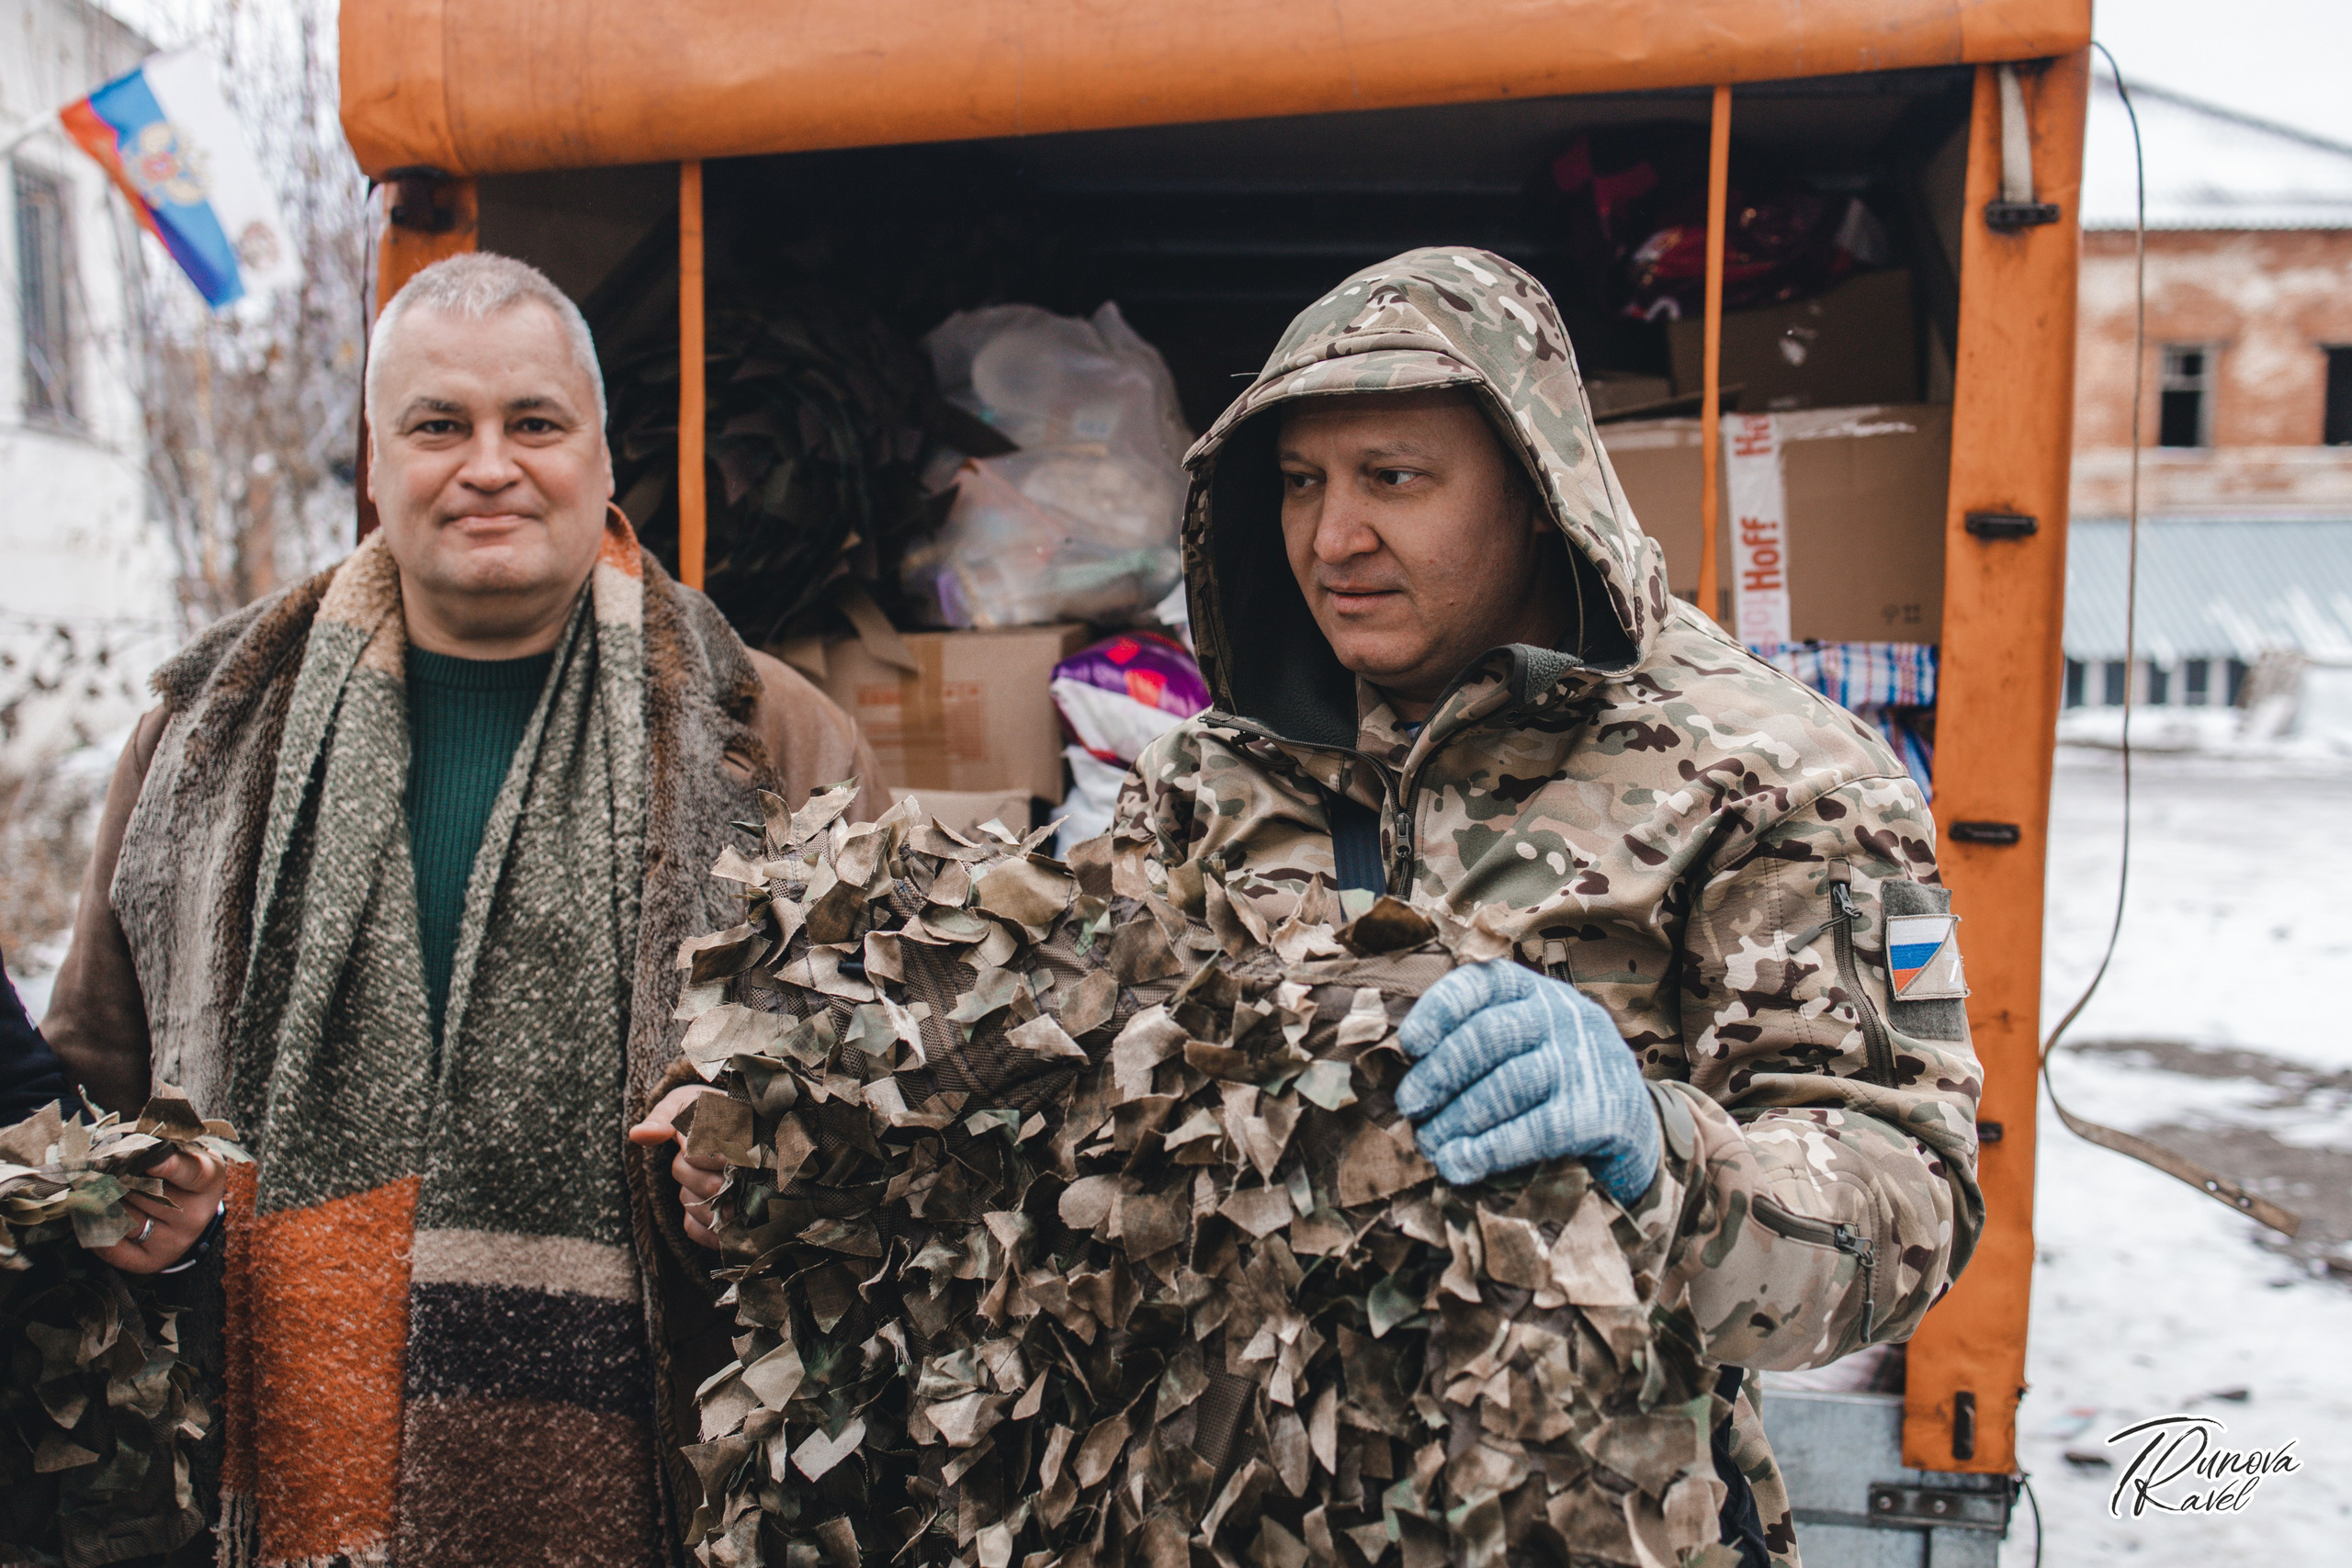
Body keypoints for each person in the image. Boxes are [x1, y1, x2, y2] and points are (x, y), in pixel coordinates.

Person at [1111, 247, 1983, 1567]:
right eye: (1298, 482)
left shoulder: (1772, 775)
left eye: (1392, 477)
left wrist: (1661, 1151)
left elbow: (1907, 1207)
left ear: (1537, 490)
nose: (1332, 538)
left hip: (1591, 1524)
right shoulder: (1207, 779)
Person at [40, 252, 883, 1568]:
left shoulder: (771, 735)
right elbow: (87, 1088)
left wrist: (765, 1162)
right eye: (440, 425)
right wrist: (137, 1199)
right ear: (375, 463)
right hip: (274, 1474)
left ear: (602, 455)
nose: (490, 466)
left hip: (658, 1485)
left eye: (534, 423)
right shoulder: (205, 738)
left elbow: (890, 1101)